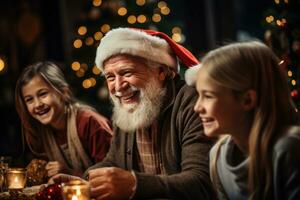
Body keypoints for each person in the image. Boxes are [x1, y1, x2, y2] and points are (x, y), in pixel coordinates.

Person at [50, 27, 216, 199]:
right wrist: (81, 181)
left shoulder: (192, 102)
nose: (118, 87)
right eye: (110, 77)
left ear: (161, 71)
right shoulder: (128, 107)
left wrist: (135, 184)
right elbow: (114, 161)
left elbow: (200, 181)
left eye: (127, 73)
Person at [189, 41, 300, 199]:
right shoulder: (218, 156)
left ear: (247, 100)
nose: (197, 107)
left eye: (208, 96)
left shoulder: (289, 150)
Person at [15, 61, 113, 177]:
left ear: (64, 92)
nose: (37, 104)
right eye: (29, 99)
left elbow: (108, 176)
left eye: (43, 94)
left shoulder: (90, 123)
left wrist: (69, 173)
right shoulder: (40, 132)